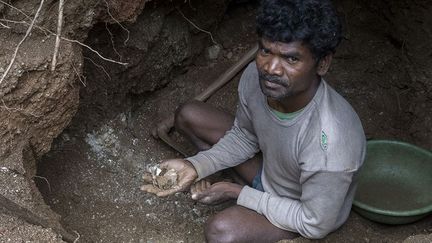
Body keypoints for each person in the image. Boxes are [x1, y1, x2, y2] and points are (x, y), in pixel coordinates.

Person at [142, 0, 366, 241]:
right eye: (265, 51)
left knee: (221, 233)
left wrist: (238, 193)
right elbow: (245, 136)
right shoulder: (257, 79)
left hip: (299, 207)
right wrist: (196, 165)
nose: (271, 68)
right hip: (269, 171)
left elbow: (314, 223)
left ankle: (237, 189)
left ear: (322, 63)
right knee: (189, 114)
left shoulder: (331, 144)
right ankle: (233, 181)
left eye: (291, 59)